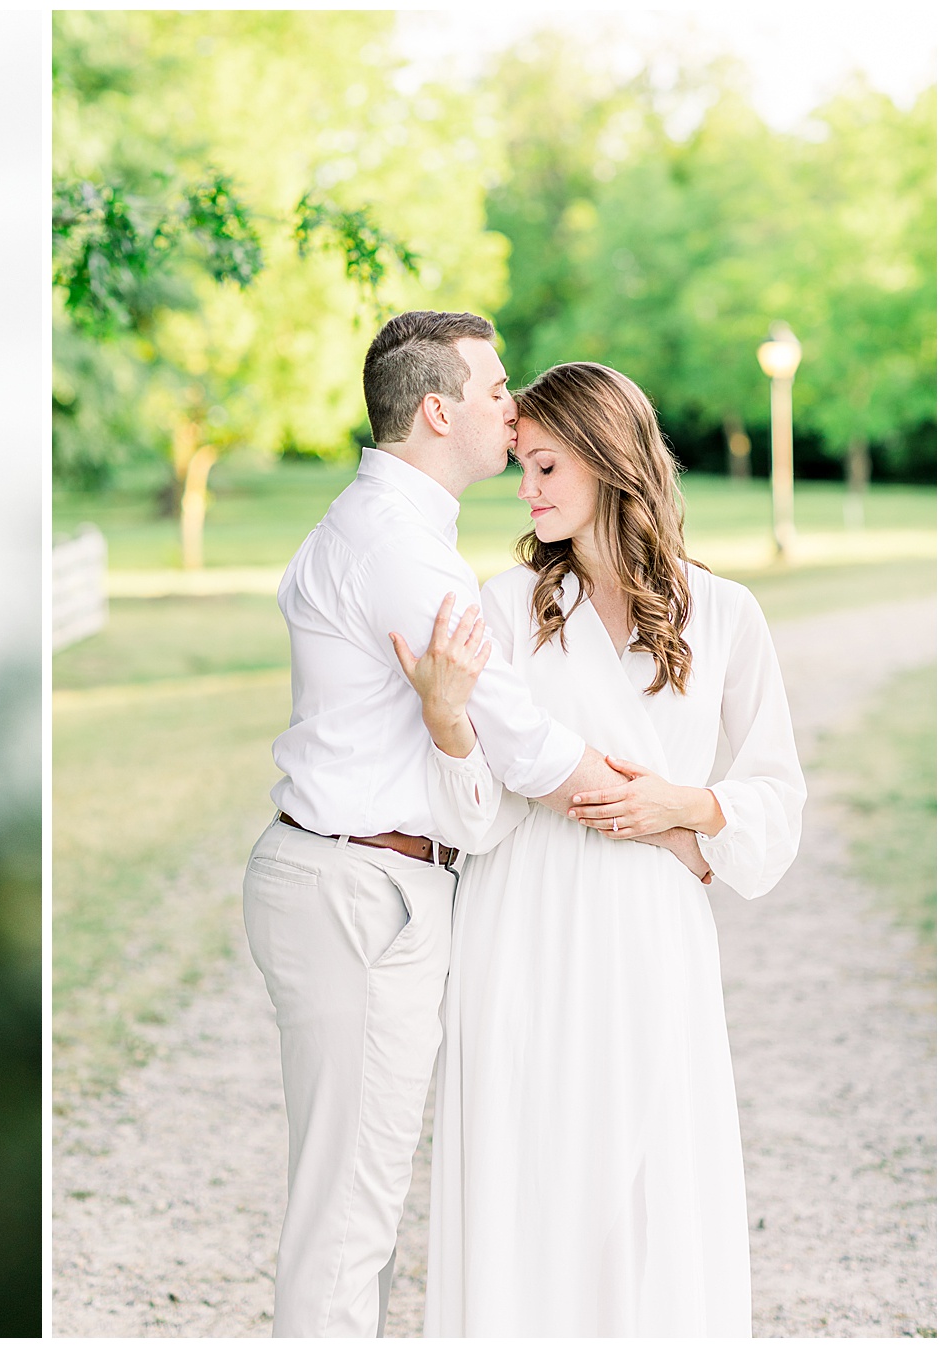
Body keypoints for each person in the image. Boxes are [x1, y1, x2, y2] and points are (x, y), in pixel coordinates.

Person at [242, 312, 710, 1338]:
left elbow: (479, 748)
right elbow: (524, 745)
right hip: (360, 888)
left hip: (359, 879)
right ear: (439, 410)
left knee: (355, 1207)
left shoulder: (397, 532)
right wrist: (669, 819)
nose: (512, 405)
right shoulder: (399, 551)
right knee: (348, 1218)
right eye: (496, 390)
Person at [405, 362, 805, 1335]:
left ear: (608, 461)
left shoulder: (725, 614)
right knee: (528, 1178)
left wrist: (685, 805)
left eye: (545, 466)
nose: (526, 489)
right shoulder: (504, 607)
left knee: (654, 1181)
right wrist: (447, 720)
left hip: (654, 929)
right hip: (522, 923)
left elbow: (776, 800)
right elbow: (474, 815)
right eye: (522, 467)